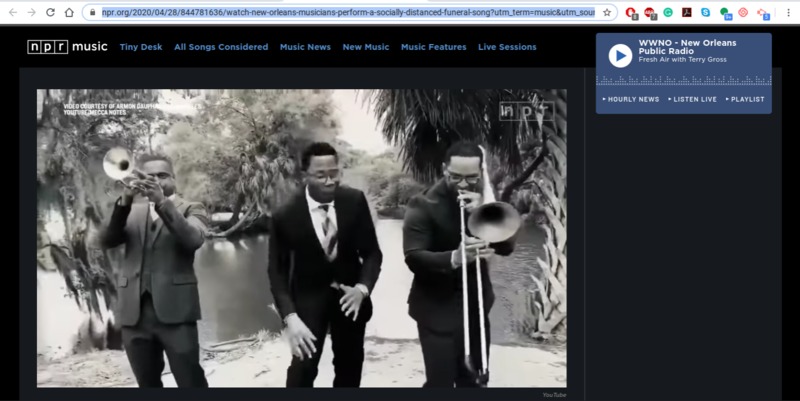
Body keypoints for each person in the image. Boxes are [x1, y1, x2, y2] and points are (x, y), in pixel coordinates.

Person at [268, 142, 383, 387]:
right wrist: (290, 317)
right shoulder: (285, 214)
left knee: (350, 369)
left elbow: (372, 253)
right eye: (321, 176)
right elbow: (277, 272)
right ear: (304, 175)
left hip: (350, 300)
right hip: (308, 300)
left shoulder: (354, 200)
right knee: (303, 370)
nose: (329, 181)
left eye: (334, 174)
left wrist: (362, 289)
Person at [402, 141, 516, 387]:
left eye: (471, 178)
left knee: (475, 381)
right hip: (435, 310)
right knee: (440, 383)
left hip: (475, 308)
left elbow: (507, 248)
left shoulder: (485, 202)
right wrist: (455, 257)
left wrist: (485, 214)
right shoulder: (422, 204)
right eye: (456, 177)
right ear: (444, 169)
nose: (463, 184)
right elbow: (413, 256)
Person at [100, 153, 210, 388]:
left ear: (174, 179)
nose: (156, 180)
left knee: (190, 380)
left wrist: (162, 202)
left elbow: (193, 240)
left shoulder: (193, 208)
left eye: (162, 175)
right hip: (134, 315)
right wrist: (126, 200)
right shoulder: (130, 209)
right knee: (146, 383)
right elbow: (109, 241)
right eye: (149, 176)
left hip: (177, 313)